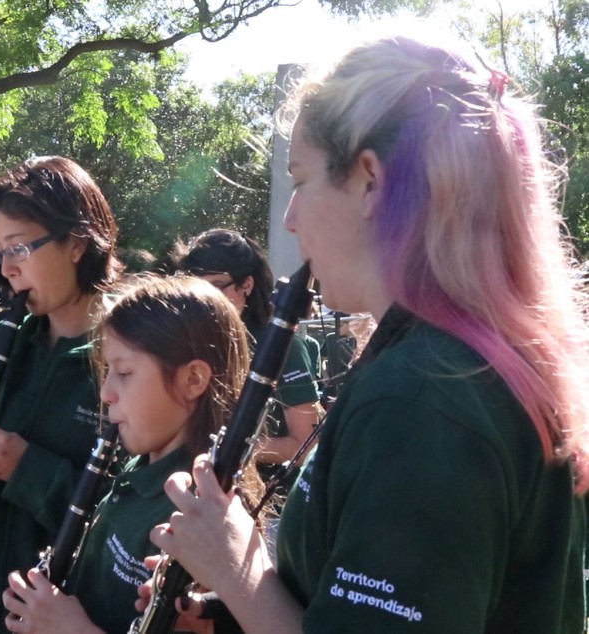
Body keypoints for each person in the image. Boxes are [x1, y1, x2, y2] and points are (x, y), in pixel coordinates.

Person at [148, 35, 589, 633]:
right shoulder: (456, 362)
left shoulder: (424, 398)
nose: (290, 218)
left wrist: (233, 566)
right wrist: (228, 613)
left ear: (371, 181)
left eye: (300, 180)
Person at [0, 155, 121, 633]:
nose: (5, 270)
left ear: (76, 242)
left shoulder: (130, 354)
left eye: (19, 248)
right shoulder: (17, 343)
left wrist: (23, 467)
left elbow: (135, 513)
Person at [1, 275, 255, 634]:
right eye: (107, 372)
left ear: (193, 380)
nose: (105, 392)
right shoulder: (138, 466)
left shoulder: (201, 518)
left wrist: (67, 627)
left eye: (123, 373)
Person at [174, 228, 319, 470]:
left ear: (246, 285)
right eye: (197, 288)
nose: (205, 300)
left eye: (217, 286)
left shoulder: (284, 346)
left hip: (255, 495)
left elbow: (306, 445)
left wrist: (228, 447)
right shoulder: (188, 339)